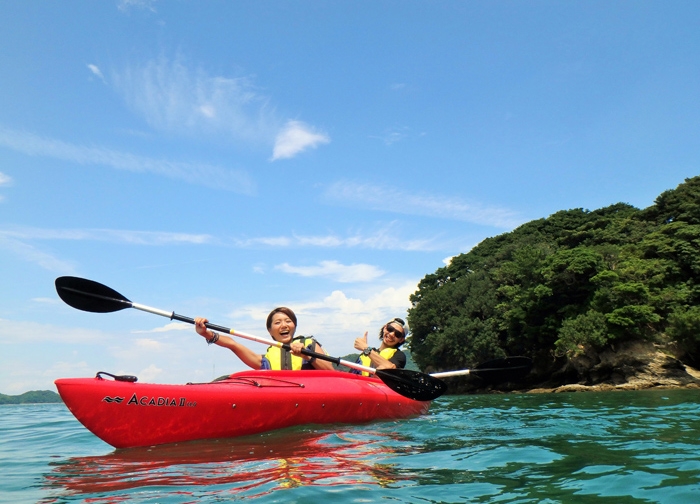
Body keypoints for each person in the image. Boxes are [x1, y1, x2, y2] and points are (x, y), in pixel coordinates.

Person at [194, 307, 334, 371]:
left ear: (294, 325)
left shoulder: (309, 345)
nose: (284, 325)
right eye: (277, 323)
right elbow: (233, 344)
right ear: (270, 330)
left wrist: (307, 356)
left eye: (288, 321)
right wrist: (206, 334)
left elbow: (331, 372)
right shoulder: (266, 360)